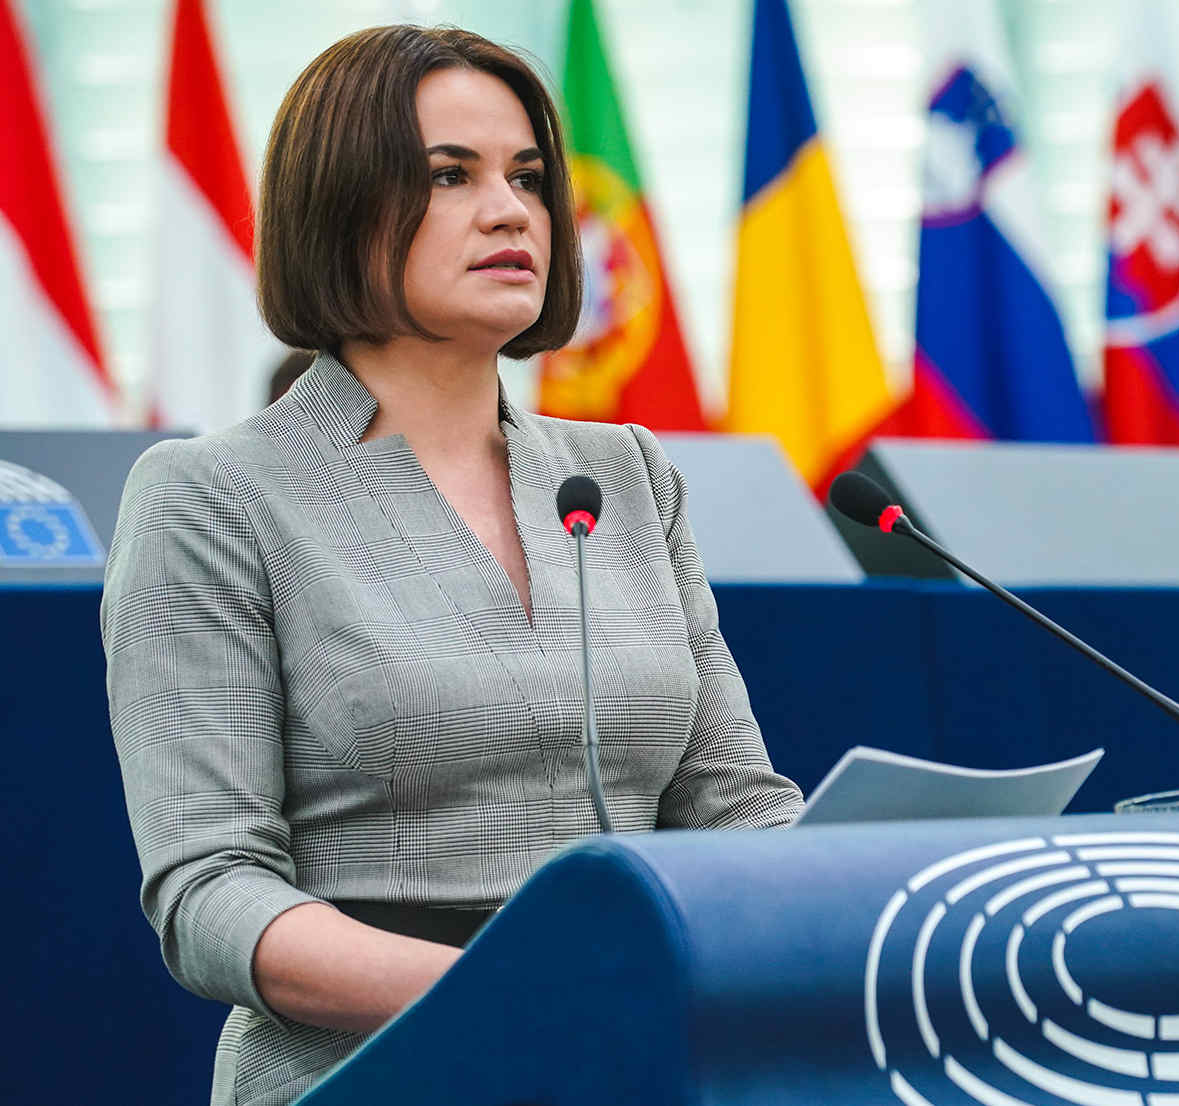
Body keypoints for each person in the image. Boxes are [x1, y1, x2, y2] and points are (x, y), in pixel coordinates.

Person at [101, 25, 803, 1106]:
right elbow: (211, 894)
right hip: (368, 1071)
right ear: (339, 205)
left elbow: (736, 805)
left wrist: (848, 906)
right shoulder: (213, 494)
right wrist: (513, 994)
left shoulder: (626, 472)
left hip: (638, 1059)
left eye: (529, 177)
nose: (512, 211)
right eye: (449, 175)